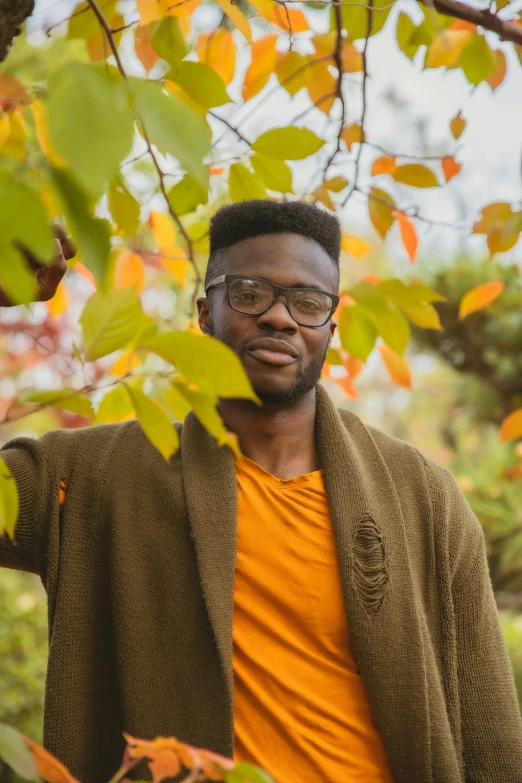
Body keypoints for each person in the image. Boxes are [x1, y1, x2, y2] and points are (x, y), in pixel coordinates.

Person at [0, 200, 521, 783]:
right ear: (205, 312)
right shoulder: (98, 475)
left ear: (331, 324)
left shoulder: (422, 497)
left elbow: (490, 731)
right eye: (250, 293)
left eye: (308, 303)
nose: (280, 318)